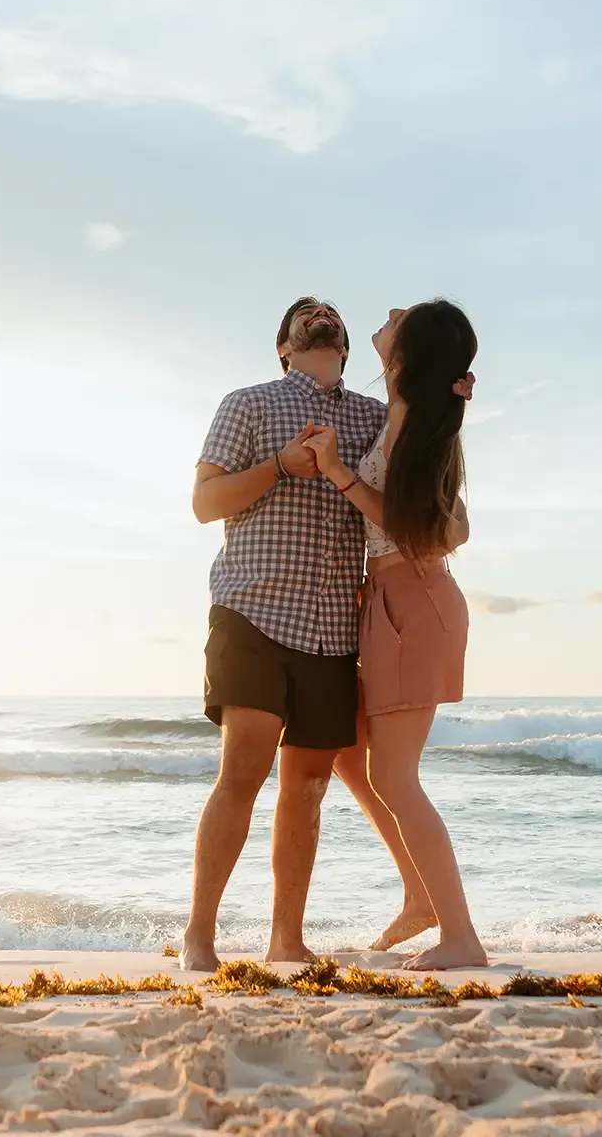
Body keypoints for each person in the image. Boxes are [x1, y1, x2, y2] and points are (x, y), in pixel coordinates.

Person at [181, 298, 388, 972]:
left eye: (328, 312)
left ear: (346, 347)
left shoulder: (373, 417)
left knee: (308, 786)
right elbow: (205, 504)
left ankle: (285, 940)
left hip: (333, 628)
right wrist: (278, 465)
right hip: (253, 612)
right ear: (284, 347)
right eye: (303, 314)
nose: (318, 313)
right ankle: (200, 938)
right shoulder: (247, 403)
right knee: (243, 764)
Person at [302, 300, 487, 971]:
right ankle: (418, 896)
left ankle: (461, 936)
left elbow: (433, 529)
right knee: (351, 752)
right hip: (388, 600)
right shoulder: (408, 419)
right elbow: (447, 521)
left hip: (415, 603)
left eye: (401, 316)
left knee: (397, 776)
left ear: (400, 358)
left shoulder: (416, 424)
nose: (389, 311)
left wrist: (339, 474)